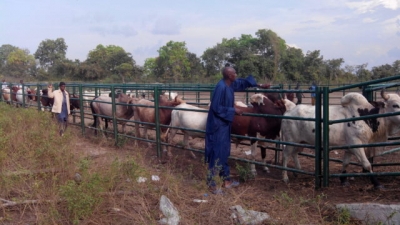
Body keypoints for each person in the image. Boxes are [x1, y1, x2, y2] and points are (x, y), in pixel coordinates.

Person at [205, 65, 270, 194]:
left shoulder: (230, 84)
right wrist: (233, 109)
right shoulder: (221, 87)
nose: (236, 75)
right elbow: (216, 107)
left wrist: (259, 85)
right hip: (217, 125)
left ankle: (226, 180)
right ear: (229, 76)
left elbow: (241, 83)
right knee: (217, 152)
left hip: (224, 124)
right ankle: (212, 184)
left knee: (224, 151)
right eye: (234, 73)